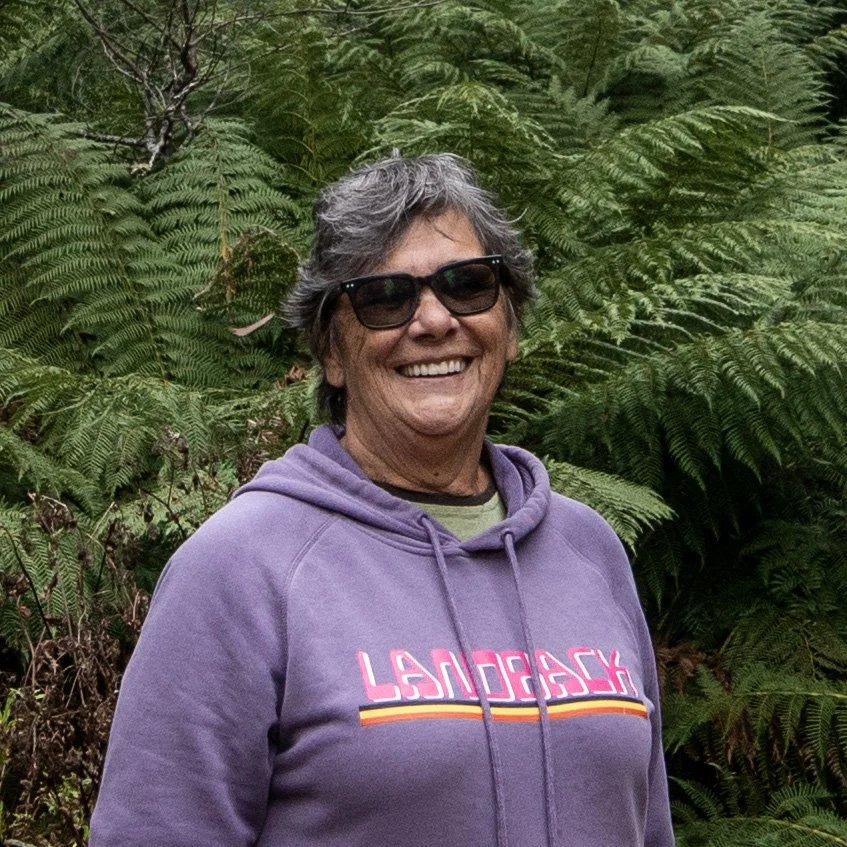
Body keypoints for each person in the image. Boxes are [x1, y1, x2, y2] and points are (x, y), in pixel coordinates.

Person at [90, 153, 674, 846]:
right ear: (331, 351)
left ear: (509, 325)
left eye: (466, 284)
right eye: (385, 297)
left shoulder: (586, 549)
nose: (432, 320)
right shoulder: (240, 569)